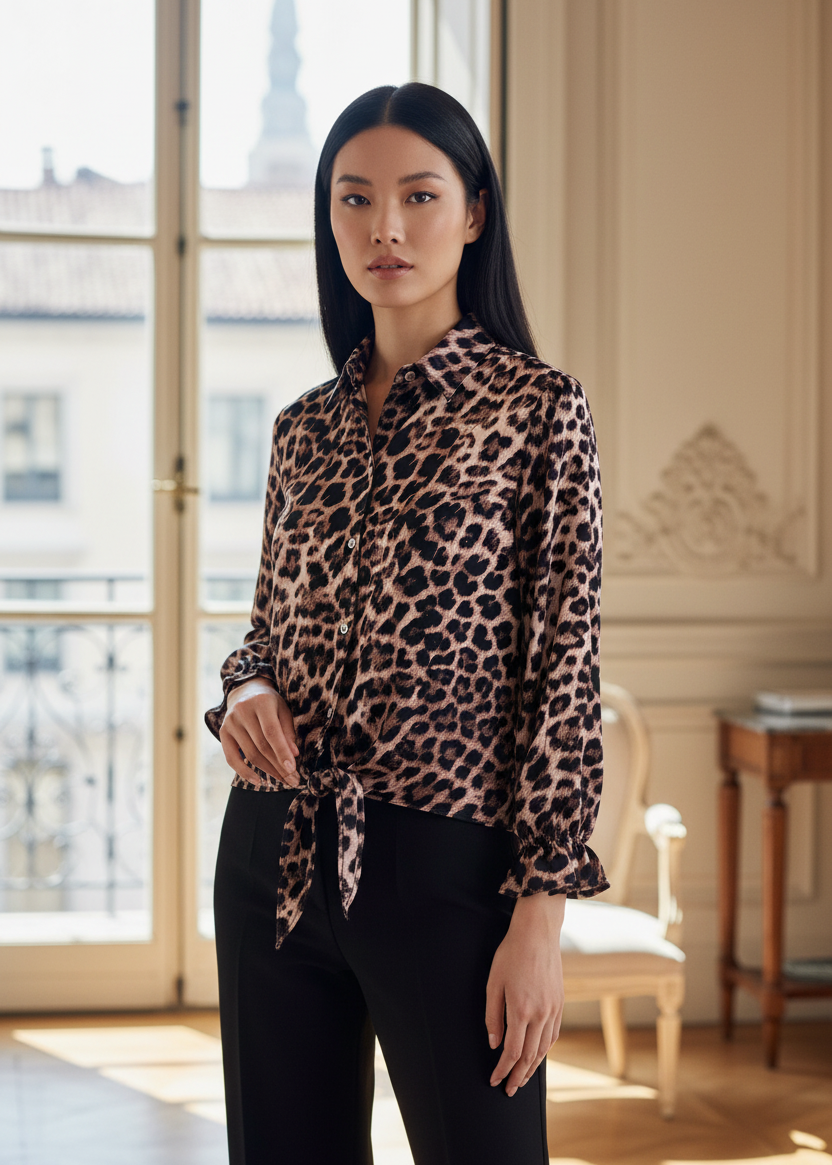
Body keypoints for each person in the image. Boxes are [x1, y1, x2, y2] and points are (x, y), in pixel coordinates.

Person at [206, 81, 608, 1165]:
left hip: (446, 873)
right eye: (353, 199)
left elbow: (559, 680)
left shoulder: (536, 412)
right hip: (271, 857)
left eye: (418, 195)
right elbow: (262, 636)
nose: (384, 227)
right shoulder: (303, 430)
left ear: (473, 212)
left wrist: (539, 920)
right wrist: (245, 690)